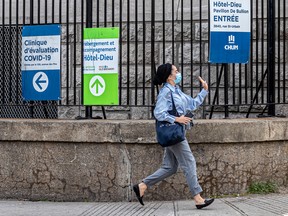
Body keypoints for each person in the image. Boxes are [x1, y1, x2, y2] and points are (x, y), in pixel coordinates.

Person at [133, 63, 214, 209]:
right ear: (170, 76)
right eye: (176, 71)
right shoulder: (165, 92)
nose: (179, 73)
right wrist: (176, 119)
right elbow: (158, 113)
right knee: (189, 162)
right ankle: (198, 198)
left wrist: (204, 91)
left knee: (170, 167)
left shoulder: (176, 90)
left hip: (176, 133)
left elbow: (192, 104)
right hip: (174, 134)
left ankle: (142, 186)